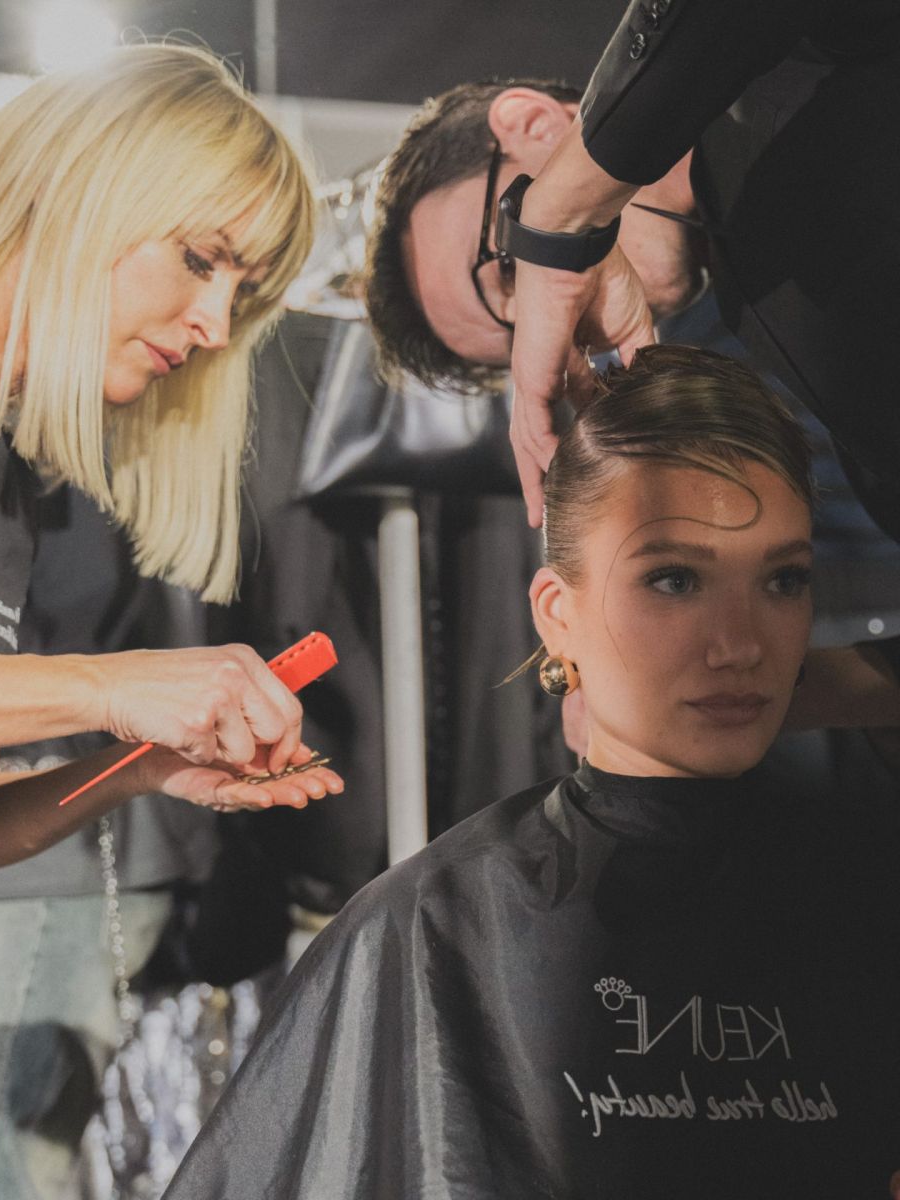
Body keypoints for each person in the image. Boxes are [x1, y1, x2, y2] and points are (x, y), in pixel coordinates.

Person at [161, 346, 900, 1200]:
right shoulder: (434, 926)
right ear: (557, 613)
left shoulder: (865, 893)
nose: (739, 645)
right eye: (674, 579)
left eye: (782, 580)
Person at [0, 42, 343, 881]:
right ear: (71, 190)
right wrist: (105, 686)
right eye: (200, 259)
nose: (216, 329)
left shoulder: (3, 491)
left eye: (241, 293)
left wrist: (139, 767)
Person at [365, 0, 900, 539]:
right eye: (523, 342)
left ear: (532, 122)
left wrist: (558, 225)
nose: (554, 323)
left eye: (508, 267)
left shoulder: (804, 55)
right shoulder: (819, 390)